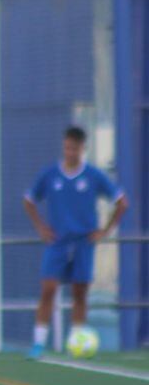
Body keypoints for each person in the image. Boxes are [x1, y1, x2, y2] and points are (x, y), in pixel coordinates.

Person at [23, 126, 128, 359]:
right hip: (57, 242)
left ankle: (76, 341)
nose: (70, 152)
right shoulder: (50, 174)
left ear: (83, 149)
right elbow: (29, 200)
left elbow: (122, 202)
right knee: (48, 289)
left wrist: (105, 230)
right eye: (67, 147)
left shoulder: (93, 175)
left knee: (80, 292)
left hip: (83, 242)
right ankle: (38, 343)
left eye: (74, 148)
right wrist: (40, 227)